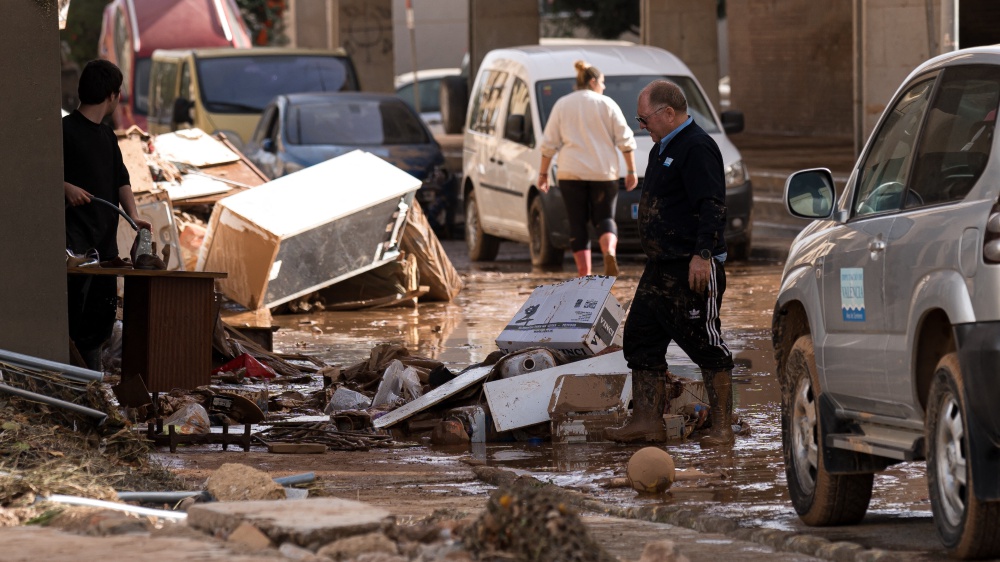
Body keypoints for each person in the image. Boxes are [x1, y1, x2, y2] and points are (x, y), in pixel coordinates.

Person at [606, 80, 736, 447]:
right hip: (659, 266)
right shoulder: (663, 146)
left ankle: (722, 427)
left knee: (706, 344)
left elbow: (712, 205)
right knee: (640, 339)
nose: (641, 126)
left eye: (644, 119)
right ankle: (647, 420)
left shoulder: (697, 147)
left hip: (690, 266)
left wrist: (703, 255)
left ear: (668, 113)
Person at [63, 59, 150, 370]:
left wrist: (134, 215)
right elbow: (39, 175)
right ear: (112, 95)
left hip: (106, 249)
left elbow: (121, 178)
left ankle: (93, 386)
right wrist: (66, 187)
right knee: (74, 323)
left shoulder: (108, 135)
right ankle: (80, 386)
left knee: (99, 325)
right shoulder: (64, 131)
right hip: (75, 250)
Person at [538, 60, 637, 277]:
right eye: (602, 83)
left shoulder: (562, 104)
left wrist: (543, 173)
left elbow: (549, 144)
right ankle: (609, 251)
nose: (604, 87)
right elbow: (625, 140)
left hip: (570, 173)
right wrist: (631, 171)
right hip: (603, 173)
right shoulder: (607, 104)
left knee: (577, 222)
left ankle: (585, 274)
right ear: (593, 82)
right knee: (605, 218)